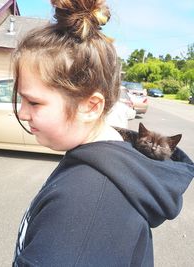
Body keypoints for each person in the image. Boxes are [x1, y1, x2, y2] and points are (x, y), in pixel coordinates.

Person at [12, 0, 194, 266]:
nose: (23, 112)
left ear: (91, 106)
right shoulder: (98, 163)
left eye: (34, 102)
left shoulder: (85, 208)